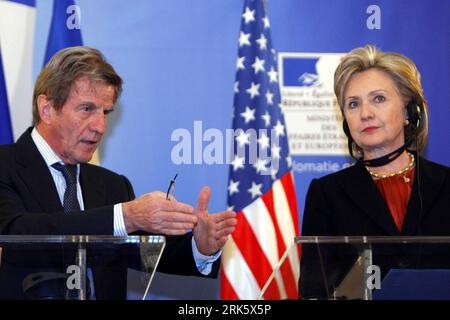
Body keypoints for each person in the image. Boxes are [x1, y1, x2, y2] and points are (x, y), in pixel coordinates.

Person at [0, 46, 237, 299]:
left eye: (105, 112)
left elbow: (150, 254)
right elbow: (14, 234)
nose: (100, 126)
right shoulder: (6, 165)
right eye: (87, 109)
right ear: (47, 109)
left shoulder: (113, 186)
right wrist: (125, 217)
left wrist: (200, 247)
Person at [299, 45, 450, 299]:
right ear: (345, 119)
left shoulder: (446, 184)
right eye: (353, 104)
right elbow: (314, 291)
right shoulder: (326, 194)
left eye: (378, 99)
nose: (365, 114)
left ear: (409, 111)